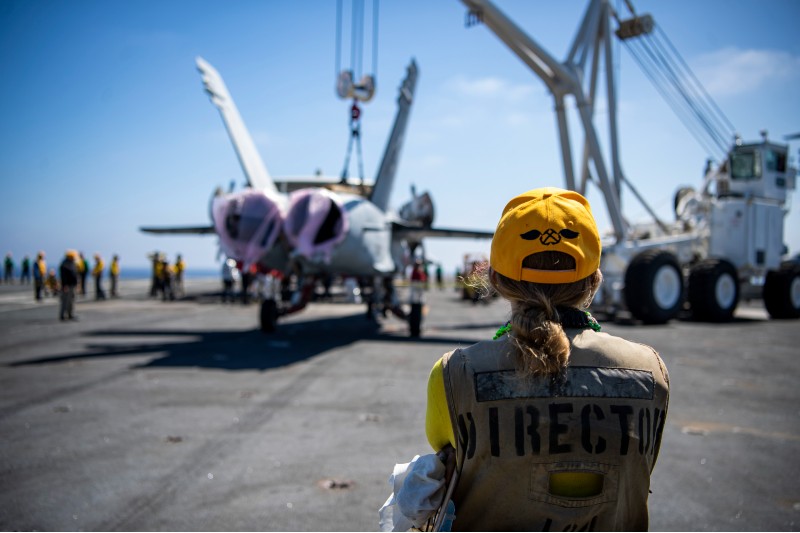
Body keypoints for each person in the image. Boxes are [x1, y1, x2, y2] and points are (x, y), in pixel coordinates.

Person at [422, 188, 670, 530]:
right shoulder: (649, 371)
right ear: (593, 281)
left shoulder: (454, 374)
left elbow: (448, 459)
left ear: (495, 279)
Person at [59, 250, 79, 320]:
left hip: (72, 285)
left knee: (71, 300)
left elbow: (75, 274)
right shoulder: (65, 265)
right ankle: (63, 315)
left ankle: (71, 314)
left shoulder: (72, 263)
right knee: (65, 300)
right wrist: (65, 285)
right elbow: (63, 276)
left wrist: (77, 284)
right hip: (67, 285)